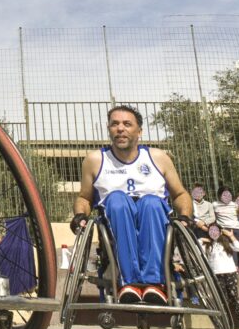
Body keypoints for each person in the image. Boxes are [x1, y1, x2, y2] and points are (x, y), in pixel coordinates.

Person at [72, 105, 191, 306]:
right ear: (109, 129)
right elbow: (84, 198)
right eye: (115, 124)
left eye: (127, 124)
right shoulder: (95, 160)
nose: (120, 128)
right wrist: (80, 215)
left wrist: (186, 217)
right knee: (118, 200)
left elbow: (180, 194)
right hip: (115, 222)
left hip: (153, 218)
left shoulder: (158, 157)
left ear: (139, 131)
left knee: (151, 203)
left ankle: (154, 283)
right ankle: (129, 281)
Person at [202, 227, 239, 329]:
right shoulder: (208, 246)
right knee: (223, 299)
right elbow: (196, 248)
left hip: (229, 272)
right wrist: (202, 240)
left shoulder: (226, 244)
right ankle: (227, 323)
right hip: (217, 274)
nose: (213, 233)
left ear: (220, 232)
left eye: (216, 230)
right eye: (211, 231)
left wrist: (231, 236)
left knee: (234, 297)